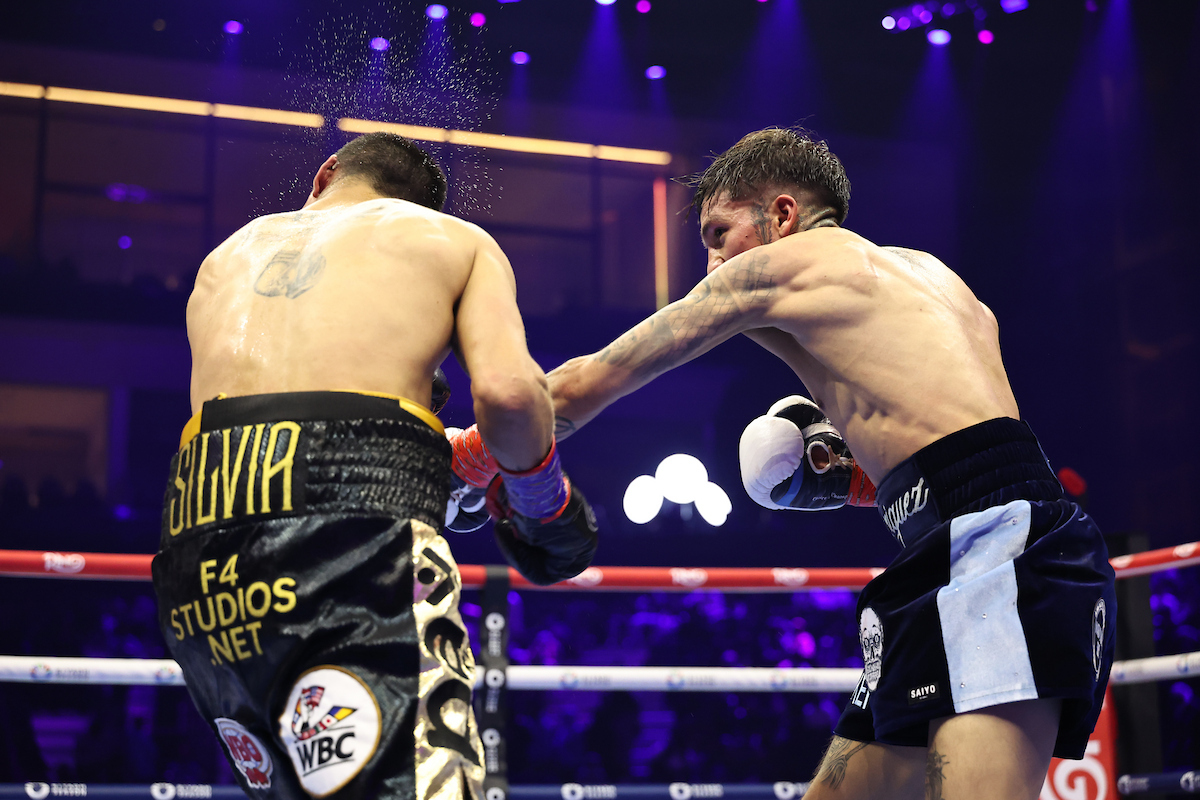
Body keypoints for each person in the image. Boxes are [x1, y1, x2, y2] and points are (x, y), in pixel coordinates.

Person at [548, 127, 1115, 800]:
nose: (711, 267)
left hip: (1001, 557)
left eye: (718, 233)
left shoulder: (783, 269)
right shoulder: (939, 282)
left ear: (783, 215)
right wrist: (852, 481)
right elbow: (963, 449)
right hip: (955, 550)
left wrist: (479, 448)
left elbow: (591, 380)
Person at [152, 131, 597, 799]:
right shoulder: (452, 240)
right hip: (355, 534)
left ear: (325, 173)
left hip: (200, 557)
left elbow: (285, 423)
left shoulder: (224, 259)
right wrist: (542, 502)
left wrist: (435, 452)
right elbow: (509, 396)